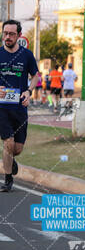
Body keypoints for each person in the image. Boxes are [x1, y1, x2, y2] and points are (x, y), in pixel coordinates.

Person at [0, 20, 39, 192]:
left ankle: (11, 160)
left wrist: (29, 91)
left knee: (17, 148)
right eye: (5, 33)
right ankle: (8, 180)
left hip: (20, 107)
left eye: (11, 34)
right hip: (2, 107)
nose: (8, 37)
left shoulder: (27, 55)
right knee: (8, 142)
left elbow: (36, 75)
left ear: (19, 35)